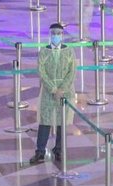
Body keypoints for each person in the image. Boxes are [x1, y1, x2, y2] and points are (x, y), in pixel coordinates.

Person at [30, 23, 76, 165]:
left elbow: (72, 71)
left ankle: (59, 150)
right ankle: (40, 152)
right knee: (45, 121)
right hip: (48, 91)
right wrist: (53, 89)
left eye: (59, 33)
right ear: (50, 35)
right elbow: (41, 72)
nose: (56, 36)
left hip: (65, 91)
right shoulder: (44, 52)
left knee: (62, 122)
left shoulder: (69, 52)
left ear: (62, 35)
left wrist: (62, 89)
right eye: (53, 33)